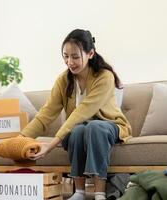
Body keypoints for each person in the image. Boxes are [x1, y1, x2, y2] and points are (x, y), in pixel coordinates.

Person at [21, 29, 132, 200]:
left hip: (109, 126)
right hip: (79, 128)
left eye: (75, 56)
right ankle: (79, 192)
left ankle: (99, 192)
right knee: (78, 130)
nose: (69, 62)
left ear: (90, 54)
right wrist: (21, 138)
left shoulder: (105, 76)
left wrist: (50, 145)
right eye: (65, 56)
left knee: (93, 127)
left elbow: (82, 111)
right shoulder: (63, 80)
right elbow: (46, 113)